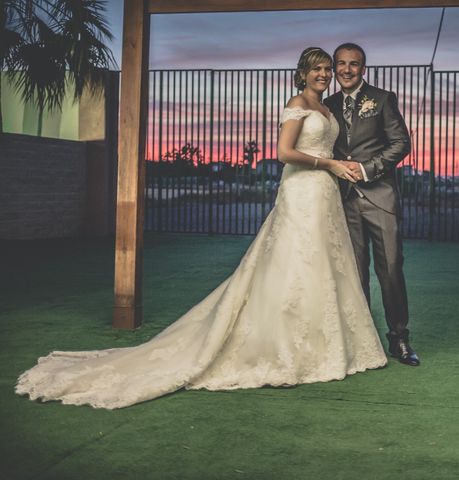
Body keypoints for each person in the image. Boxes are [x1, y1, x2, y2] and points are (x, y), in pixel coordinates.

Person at [15, 47, 387, 410]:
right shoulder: (297, 104)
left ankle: (325, 344)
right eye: (316, 69)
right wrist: (331, 164)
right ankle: (282, 345)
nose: (323, 74)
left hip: (325, 194)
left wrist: (343, 167)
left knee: (324, 263)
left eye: (327, 69)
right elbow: (283, 153)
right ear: (303, 72)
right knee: (295, 261)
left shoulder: (326, 107)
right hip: (303, 190)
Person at [324, 43, 420, 366]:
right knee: (355, 273)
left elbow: (401, 143)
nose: (346, 70)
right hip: (344, 200)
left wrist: (367, 169)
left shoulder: (382, 99)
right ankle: (363, 341)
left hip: (380, 197)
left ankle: (400, 340)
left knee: (391, 269)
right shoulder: (327, 105)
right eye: (341, 64)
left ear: (363, 68)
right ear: (335, 68)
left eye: (353, 64)